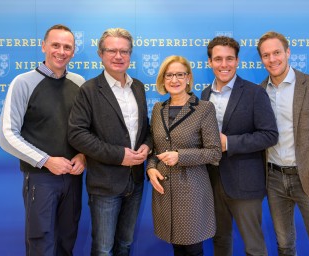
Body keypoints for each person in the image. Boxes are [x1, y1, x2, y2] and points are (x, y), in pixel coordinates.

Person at [0, 24, 86, 255]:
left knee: (67, 241)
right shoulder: (23, 82)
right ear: (43, 46)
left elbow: (88, 130)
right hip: (41, 179)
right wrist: (46, 160)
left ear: (74, 51)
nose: (61, 51)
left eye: (67, 47)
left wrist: (83, 156)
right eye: (55, 45)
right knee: (41, 245)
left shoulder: (79, 83)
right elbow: (6, 135)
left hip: (73, 178)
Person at [257, 31, 309, 256]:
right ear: (261, 59)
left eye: (276, 52)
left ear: (287, 52)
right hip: (273, 179)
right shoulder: (259, 92)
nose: (272, 59)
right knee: (284, 245)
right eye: (266, 55)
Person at [67, 28, 151, 256]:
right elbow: (77, 134)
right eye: (112, 50)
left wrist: (148, 144)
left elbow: (146, 128)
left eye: (124, 51)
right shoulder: (89, 90)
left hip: (135, 182)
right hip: (105, 184)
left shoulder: (138, 87)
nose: (118, 56)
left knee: (125, 244)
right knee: (103, 249)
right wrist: (119, 155)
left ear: (130, 55)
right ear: (100, 54)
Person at [201, 36, 279, 256]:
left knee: (254, 245)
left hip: (245, 183)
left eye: (229, 59)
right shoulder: (204, 95)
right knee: (220, 240)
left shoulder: (255, 93)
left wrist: (230, 143)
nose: (223, 64)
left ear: (237, 61)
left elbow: (269, 135)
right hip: (213, 181)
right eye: (218, 59)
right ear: (210, 62)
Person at [146, 55, 222, 256]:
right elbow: (155, 149)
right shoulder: (157, 109)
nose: (174, 80)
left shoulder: (204, 108)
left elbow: (214, 152)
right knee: (176, 248)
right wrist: (151, 168)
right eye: (169, 75)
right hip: (163, 190)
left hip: (192, 192)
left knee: (192, 249)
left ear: (188, 77)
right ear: (163, 79)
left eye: (180, 74)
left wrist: (180, 156)